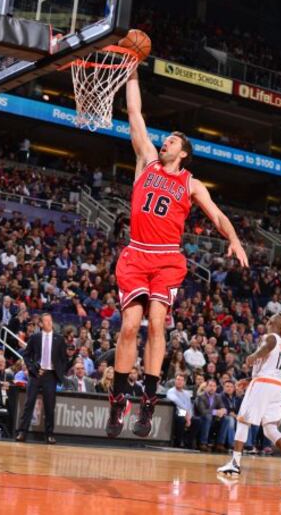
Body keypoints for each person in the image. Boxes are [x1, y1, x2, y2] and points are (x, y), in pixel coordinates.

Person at [107, 67, 248, 439]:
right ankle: (118, 399)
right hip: (137, 254)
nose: (164, 142)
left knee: (156, 325)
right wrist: (131, 72)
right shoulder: (146, 162)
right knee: (127, 327)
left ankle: (149, 402)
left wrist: (233, 238)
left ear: (183, 153)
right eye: (165, 138)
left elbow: (216, 215)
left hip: (167, 258)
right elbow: (135, 114)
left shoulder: (191, 183)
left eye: (172, 140)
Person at [217, 314, 281, 480]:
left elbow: (267, 346)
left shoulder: (271, 338)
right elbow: (270, 366)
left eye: (270, 321)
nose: (267, 323)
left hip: (264, 384)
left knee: (243, 420)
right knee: (269, 427)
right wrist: (250, 380)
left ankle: (234, 464)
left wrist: (254, 355)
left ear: (272, 324)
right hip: (277, 386)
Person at [16, 313, 66, 444]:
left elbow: (63, 358)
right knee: (29, 403)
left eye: (50, 320)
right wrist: (33, 368)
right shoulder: (35, 337)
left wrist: (58, 371)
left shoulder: (59, 339)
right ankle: (22, 432)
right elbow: (26, 356)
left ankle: (49, 434)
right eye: (46, 321)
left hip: (50, 375)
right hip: (36, 374)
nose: (49, 323)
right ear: (41, 324)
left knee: (50, 406)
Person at [194, 378, 227, 452]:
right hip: (201, 418)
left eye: (214, 386)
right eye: (210, 385)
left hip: (213, 419)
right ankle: (203, 443)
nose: (212, 388)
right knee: (208, 417)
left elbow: (223, 407)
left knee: (226, 419)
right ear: (206, 387)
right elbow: (202, 411)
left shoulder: (218, 396)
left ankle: (220, 443)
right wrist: (216, 412)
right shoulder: (201, 396)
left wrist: (223, 411)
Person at [166, 373, 198, 448]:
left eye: (181, 380)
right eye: (178, 379)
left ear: (184, 383)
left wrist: (189, 416)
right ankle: (178, 442)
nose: (179, 381)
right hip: (175, 412)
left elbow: (189, 406)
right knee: (181, 419)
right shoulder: (171, 391)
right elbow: (178, 403)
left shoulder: (186, 393)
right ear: (175, 381)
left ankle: (189, 442)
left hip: (186, 413)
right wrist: (187, 415)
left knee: (197, 421)